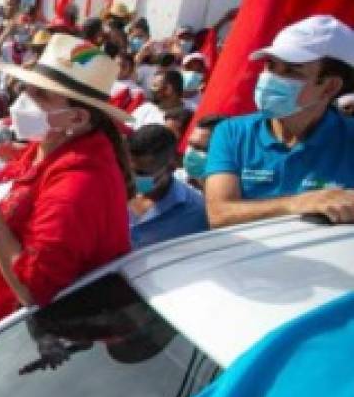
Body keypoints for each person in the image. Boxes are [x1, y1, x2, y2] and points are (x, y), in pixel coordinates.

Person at [0, 35, 133, 324]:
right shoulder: (48, 146)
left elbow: (32, 291)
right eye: (26, 90)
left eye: (41, 95)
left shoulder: (79, 187)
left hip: (42, 338)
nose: (24, 101)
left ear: (76, 118)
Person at [204, 15, 354, 226]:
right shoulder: (232, 132)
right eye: (270, 65)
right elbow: (219, 215)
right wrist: (299, 203)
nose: (270, 78)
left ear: (330, 87)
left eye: (292, 71)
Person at [127, 124, 208, 249]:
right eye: (130, 171)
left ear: (172, 166)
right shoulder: (110, 192)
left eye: (143, 174)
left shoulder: (197, 213)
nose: (134, 179)